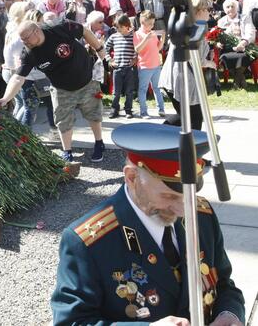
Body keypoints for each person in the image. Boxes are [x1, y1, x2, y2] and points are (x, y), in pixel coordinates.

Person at [51, 122, 245, 326]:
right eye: (169, 196)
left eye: (188, 196)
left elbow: (224, 284)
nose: (181, 210)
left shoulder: (201, 215)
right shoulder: (88, 241)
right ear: (132, 177)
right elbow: (71, 321)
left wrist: (229, 314)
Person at [0, 20, 106, 163]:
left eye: (26, 38)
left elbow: (84, 31)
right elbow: (18, 78)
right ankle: (67, 151)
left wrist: (99, 47)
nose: (24, 42)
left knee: (94, 114)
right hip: (61, 89)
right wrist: (5, 98)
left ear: (36, 31)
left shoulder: (60, 28)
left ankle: (99, 143)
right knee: (62, 120)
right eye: (22, 39)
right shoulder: (29, 53)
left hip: (87, 81)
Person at [159, 0, 215, 131]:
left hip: (173, 78)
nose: (210, 11)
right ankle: (193, 149)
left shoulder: (183, 25)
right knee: (194, 118)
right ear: (198, 11)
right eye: (207, 9)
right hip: (182, 80)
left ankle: (162, 135)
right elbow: (194, 58)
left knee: (186, 116)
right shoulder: (197, 28)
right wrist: (209, 63)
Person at [105, 14, 137, 119]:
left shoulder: (133, 37)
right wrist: (110, 60)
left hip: (129, 68)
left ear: (126, 26)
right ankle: (114, 109)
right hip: (117, 68)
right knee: (116, 92)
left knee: (129, 91)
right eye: (116, 27)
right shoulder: (114, 36)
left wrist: (135, 58)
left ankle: (128, 110)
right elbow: (105, 48)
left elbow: (138, 49)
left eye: (119, 27)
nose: (117, 29)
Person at [135, 11, 166, 118]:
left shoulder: (152, 33)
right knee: (143, 89)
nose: (152, 26)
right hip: (144, 67)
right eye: (150, 24)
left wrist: (163, 38)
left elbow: (158, 48)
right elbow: (137, 49)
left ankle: (161, 109)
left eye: (153, 23)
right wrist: (146, 38)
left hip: (156, 65)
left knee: (157, 88)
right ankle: (143, 112)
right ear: (143, 23)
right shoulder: (137, 34)